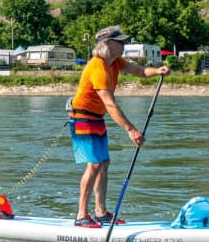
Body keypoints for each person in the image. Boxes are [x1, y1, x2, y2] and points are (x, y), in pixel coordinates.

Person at [68, 26, 169, 228]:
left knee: (104, 162)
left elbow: (140, 71)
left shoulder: (115, 62)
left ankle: (101, 212)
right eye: (120, 41)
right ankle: (81, 215)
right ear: (107, 44)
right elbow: (110, 104)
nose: (124, 45)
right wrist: (131, 130)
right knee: (94, 164)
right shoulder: (97, 67)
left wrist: (157, 71)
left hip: (97, 118)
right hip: (83, 117)